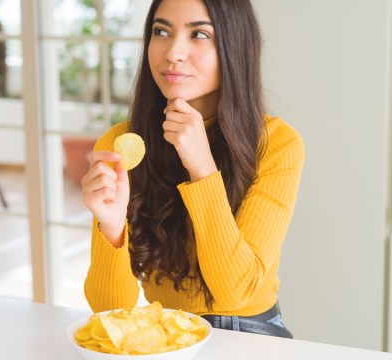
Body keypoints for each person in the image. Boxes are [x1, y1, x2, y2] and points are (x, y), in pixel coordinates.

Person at [81, 0, 304, 339]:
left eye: (199, 33)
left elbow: (235, 293)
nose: (173, 52)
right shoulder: (120, 144)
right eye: (161, 31)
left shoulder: (277, 144)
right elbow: (111, 311)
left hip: (250, 335)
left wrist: (202, 168)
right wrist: (111, 227)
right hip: (165, 336)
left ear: (234, 44)